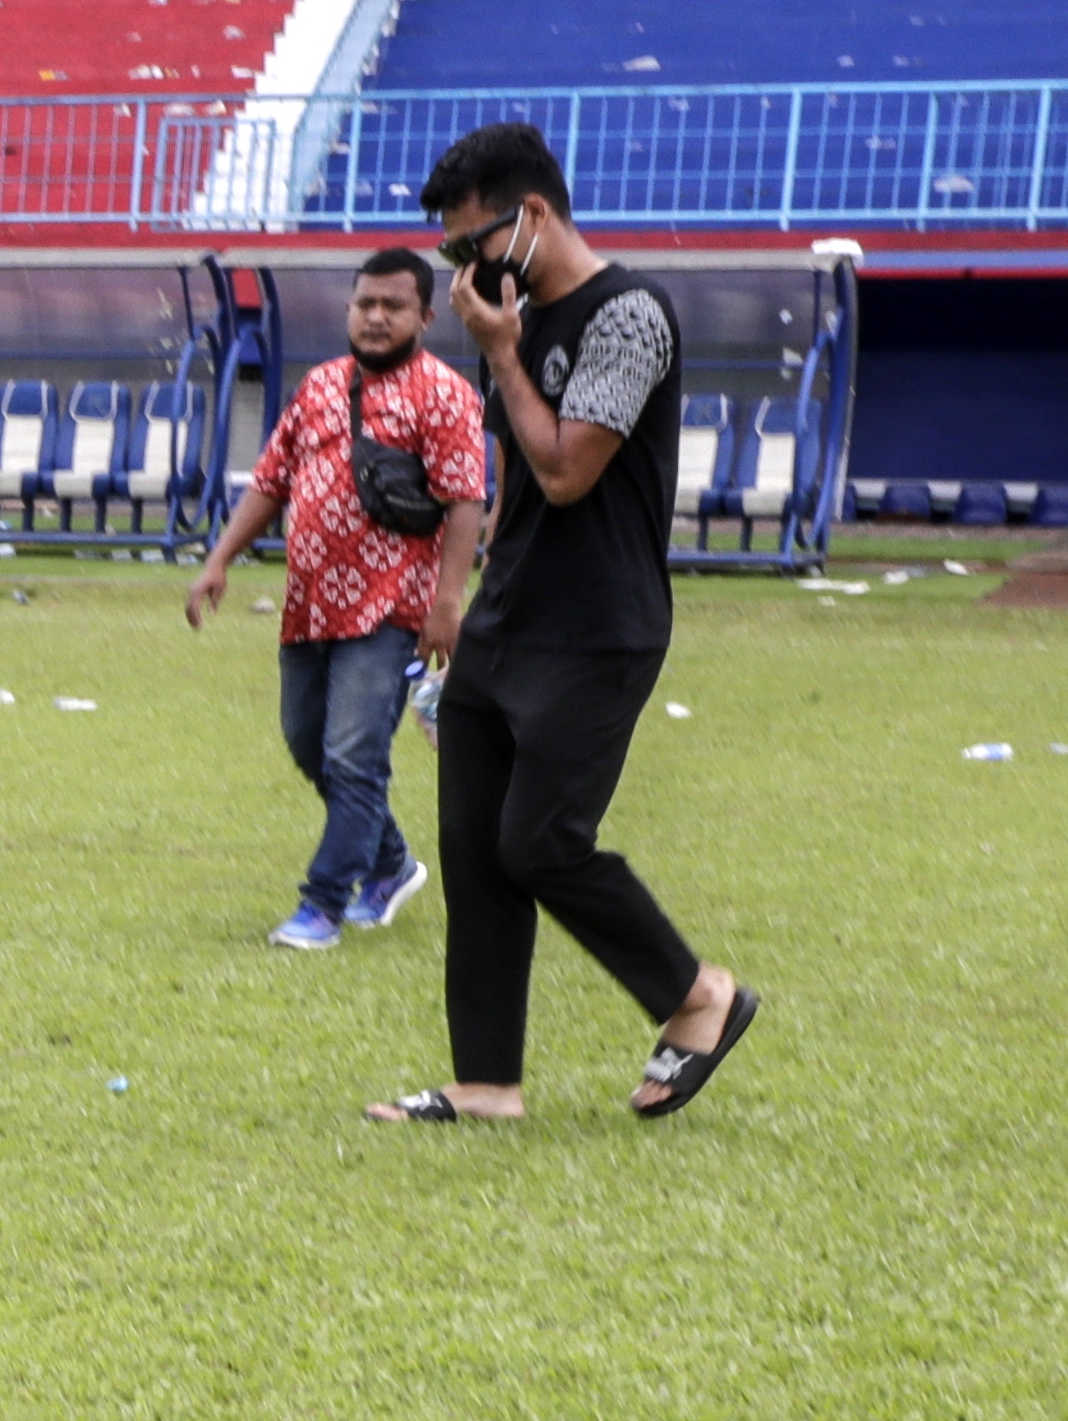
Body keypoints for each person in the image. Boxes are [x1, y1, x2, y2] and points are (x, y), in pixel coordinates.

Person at [367, 122, 763, 1126]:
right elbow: (522, 492)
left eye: (472, 244)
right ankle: (486, 1081)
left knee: (540, 842)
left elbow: (565, 468)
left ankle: (697, 993)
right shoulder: (522, 315)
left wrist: (500, 355)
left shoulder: (629, 315)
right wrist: (458, 589)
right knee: (471, 847)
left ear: (532, 215)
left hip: (599, 628)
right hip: (510, 618)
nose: (462, 269)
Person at [183, 247, 489, 952]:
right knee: (306, 742)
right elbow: (270, 479)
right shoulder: (319, 386)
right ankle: (388, 864)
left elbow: (465, 500)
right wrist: (219, 559)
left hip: (390, 609)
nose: (376, 317)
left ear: (424, 315)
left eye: (393, 306)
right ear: (348, 308)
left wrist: (447, 600)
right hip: (310, 604)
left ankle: (320, 905)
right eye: (365, 304)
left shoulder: (443, 394)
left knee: (353, 755)